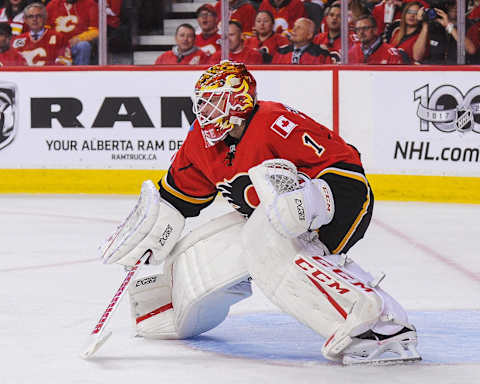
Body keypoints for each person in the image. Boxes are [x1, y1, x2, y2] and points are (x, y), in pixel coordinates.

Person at [101, 60, 421, 365]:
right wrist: (156, 229)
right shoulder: (200, 142)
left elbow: (345, 171)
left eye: (214, 102)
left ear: (239, 101)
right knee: (216, 247)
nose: (204, 112)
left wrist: (304, 201)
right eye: (203, 103)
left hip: (338, 202)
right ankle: (166, 309)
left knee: (271, 237)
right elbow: (178, 196)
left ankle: (377, 327)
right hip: (273, 219)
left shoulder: (273, 121)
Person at [413, 1, 477, 64]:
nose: (455, 7)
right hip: (433, 70)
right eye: (452, 3)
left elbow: (471, 50)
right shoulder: (433, 26)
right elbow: (417, 56)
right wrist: (425, 23)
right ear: (445, 6)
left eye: (459, 4)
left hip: (457, 70)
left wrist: (449, 26)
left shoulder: (469, 25)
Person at [46, 0, 98, 65]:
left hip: (76, 45)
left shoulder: (90, 4)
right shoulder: (52, 4)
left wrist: (79, 38)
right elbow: (45, 29)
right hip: (57, 46)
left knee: (84, 45)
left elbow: (96, 31)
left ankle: (81, 73)